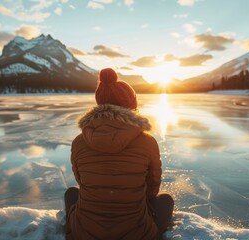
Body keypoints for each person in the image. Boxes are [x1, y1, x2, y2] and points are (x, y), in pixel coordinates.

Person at [64, 68, 174, 240]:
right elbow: (152, 187)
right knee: (165, 200)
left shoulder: (80, 141)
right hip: (137, 234)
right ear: (132, 105)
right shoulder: (147, 141)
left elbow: (81, 181)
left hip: (84, 233)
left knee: (72, 193)